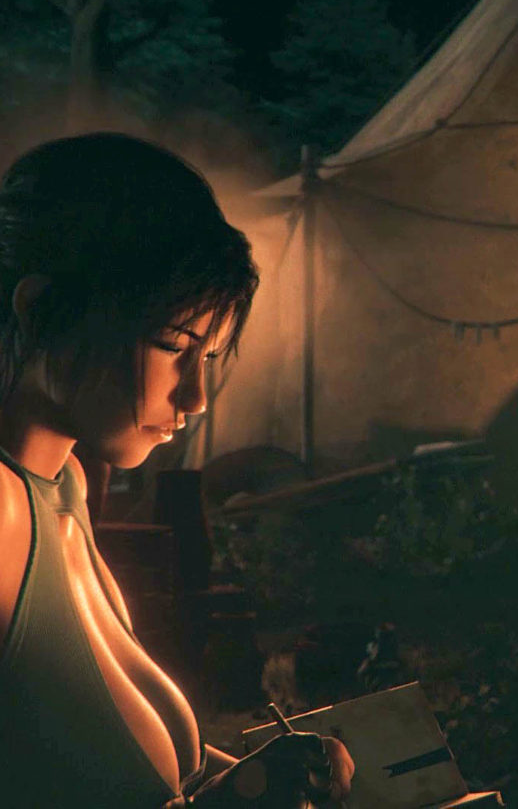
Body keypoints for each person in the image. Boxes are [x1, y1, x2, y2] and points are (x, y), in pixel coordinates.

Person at [0, 134, 354, 807]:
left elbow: (123, 767)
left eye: (208, 357)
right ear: (41, 310)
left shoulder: (64, 485)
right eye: (172, 345)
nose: (195, 398)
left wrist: (265, 774)